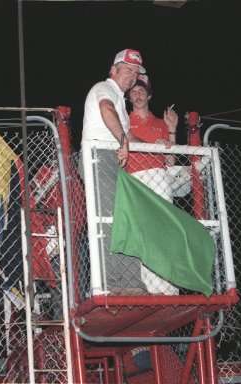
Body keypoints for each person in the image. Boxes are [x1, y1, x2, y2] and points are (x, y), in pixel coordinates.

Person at [81, 49, 148, 295]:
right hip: (99, 157)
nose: (132, 76)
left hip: (116, 160)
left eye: (136, 72)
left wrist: (159, 146)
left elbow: (130, 137)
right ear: (114, 69)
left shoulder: (121, 100)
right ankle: (110, 283)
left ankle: (131, 284)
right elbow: (105, 110)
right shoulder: (104, 88)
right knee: (108, 220)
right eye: (127, 70)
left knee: (126, 219)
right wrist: (123, 141)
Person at [125, 75, 180, 295]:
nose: (138, 95)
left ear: (149, 95)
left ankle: (167, 288)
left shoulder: (160, 123)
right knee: (141, 233)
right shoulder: (124, 119)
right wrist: (154, 146)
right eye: (133, 92)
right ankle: (146, 288)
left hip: (159, 177)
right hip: (135, 178)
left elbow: (171, 161)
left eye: (141, 91)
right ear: (129, 97)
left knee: (164, 230)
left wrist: (172, 130)